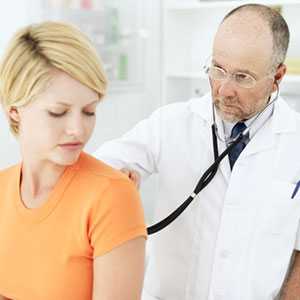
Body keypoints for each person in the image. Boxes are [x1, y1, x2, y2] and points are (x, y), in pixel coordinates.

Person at [94, 4, 300, 300]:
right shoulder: (169, 124)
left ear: (277, 77)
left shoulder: (295, 141)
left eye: (242, 77)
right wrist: (115, 184)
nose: (224, 90)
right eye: (218, 70)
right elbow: (101, 168)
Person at [0, 21, 147, 300]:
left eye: (89, 111)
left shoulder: (111, 196)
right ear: (14, 112)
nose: (78, 130)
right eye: (58, 112)